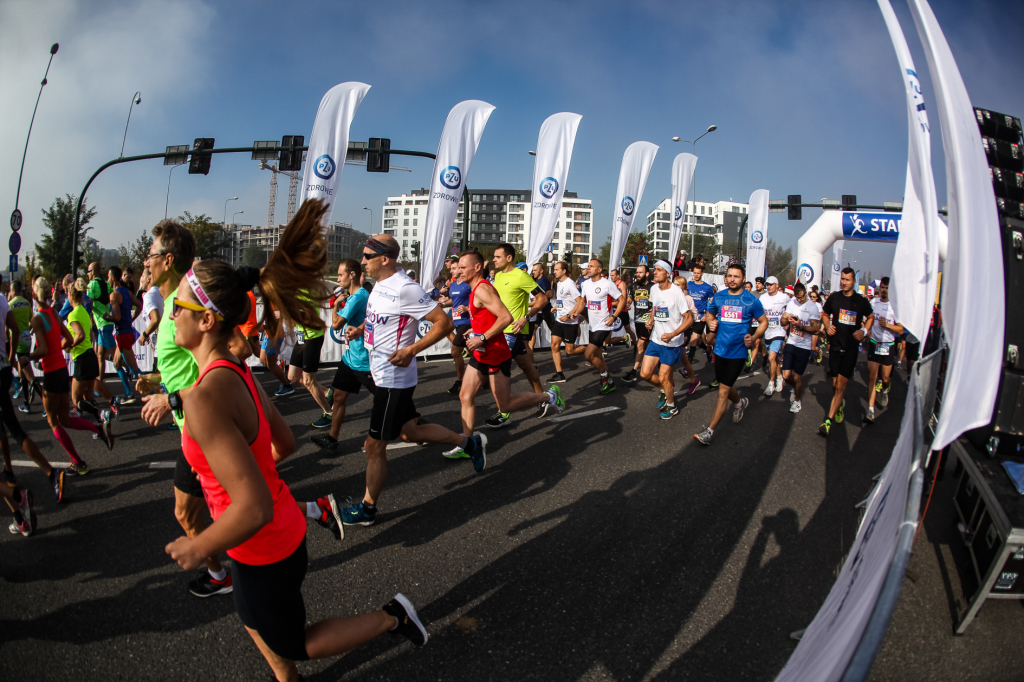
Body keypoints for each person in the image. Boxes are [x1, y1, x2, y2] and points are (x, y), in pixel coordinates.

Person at [165, 205, 428, 680]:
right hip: (277, 533)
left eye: (178, 307)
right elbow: (283, 444)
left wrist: (199, 542)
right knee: (253, 621)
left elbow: (254, 508)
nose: (170, 316)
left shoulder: (206, 396)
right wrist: (243, 474)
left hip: (261, 543)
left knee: (294, 643)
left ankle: (394, 616)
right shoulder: (234, 370)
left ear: (206, 320)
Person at [341, 233, 485, 528]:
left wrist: (411, 350)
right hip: (380, 373)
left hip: (394, 379)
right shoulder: (379, 286)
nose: (363, 261)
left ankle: (367, 509)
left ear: (386, 259)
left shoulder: (406, 288)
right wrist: (360, 329)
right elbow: (381, 318)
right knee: (408, 433)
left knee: (374, 445)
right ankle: (469, 444)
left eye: (368, 256)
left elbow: (442, 322)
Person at [137, 220, 233, 597]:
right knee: (225, 503)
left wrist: (171, 398)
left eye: (151, 255)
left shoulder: (188, 303)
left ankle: (221, 576)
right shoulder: (170, 306)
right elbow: (189, 367)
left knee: (215, 509)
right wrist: (159, 382)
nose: (146, 262)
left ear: (168, 259)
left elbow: (225, 360)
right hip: (191, 426)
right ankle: (220, 573)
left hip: (202, 426)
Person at [448, 252, 565, 456]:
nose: (458, 272)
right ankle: (468, 445)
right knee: (465, 395)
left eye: (462, 268)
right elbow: (487, 317)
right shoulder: (476, 288)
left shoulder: (482, 289)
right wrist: (474, 332)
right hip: (481, 354)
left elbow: (505, 317)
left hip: (495, 353)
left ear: (476, 268)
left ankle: (550, 396)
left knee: (505, 404)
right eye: (457, 268)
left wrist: (482, 338)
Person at [29, 276, 113, 476]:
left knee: (54, 421)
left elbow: (41, 351)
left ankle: (79, 462)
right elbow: (67, 338)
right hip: (62, 370)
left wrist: (27, 356)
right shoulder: (56, 314)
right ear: (51, 292)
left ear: (34, 293)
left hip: (50, 372)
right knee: (65, 418)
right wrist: (56, 349)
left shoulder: (37, 318)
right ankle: (97, 429)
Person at [0, 281, 64, 503]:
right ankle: (9, 470)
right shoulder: (2, 301)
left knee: (14, 429)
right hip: (4, 368)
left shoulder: (10, 302)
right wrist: (9, 360)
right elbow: (14, 331)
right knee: (8, 427)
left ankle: (45, 475)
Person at [693, 263, 766, 445]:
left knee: (722, 392)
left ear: (743, 279)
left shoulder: (751, 300)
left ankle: (709, 432)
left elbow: (764, 322)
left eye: (737, 276)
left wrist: (755, 337)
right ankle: (740, 403)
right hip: (720, 350)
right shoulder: (719, 297)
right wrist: (711, 323)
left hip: (738, 352)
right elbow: (709, 314)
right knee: (725, 384)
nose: (733, 279)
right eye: (730, 276)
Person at [310, 260, 375, 455]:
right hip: (350, 359)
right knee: (338, 397)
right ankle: (332, 439)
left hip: (364, 362)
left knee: (388, 399)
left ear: (352, 275)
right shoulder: (358, 295)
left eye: (340, 275)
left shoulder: (357, 298)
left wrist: (336, 306)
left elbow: (337, 325)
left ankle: (413, 420)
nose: (338, 279)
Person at [487, 244, 549, 427]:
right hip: (500, 329)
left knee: (498, 371)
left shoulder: (521, 275)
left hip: (511, 331)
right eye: (494, 256)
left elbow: (543, 298)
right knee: (527, 367)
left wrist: (526, 318)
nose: (494, 259)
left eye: (497, 256)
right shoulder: (497, 276)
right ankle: (545, 398)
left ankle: (503, 413)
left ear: (509, 258)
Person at [819, 267, 874, 436]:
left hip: (850, 349)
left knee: (841, 386)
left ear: (854, 281)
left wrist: (864, 331)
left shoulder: (861, 301)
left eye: (848, 279)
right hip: (835, 346)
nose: (844, 282)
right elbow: (824, 313)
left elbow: (871, 317)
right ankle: (839, 404)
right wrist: (828, 326)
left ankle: (827, 421)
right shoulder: (834, 298)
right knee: (835, 385)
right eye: (842, 279)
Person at [639, 261, 693, 420]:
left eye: (659, 270)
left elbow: (689, 319)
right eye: (654, 269)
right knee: (645, 374)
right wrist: (651, 320)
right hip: (656, 339)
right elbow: (655, 308)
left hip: (672, 342)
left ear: (668, 274)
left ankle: (671, 405)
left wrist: (673, 334)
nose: (655, 272)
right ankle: (664, 389)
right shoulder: (654, 289)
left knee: (663, 376)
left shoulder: (676, 292)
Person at [66, 278, 116, 432]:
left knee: (76, 400)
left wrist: (69, 345)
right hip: (90, 356)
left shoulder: (73, 315)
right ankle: (101, 425)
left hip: (81, 358)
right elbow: (89, 335)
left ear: (71, 296)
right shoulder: (85, 312)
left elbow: (80, 335)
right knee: (89, 397)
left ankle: (102, 414)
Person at [287, 286, 334, 428]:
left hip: (312, 337)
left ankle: (329, 413)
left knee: (309, 381)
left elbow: (306, 318)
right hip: (301, 337)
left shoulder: (308, 289)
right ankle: (327, 392)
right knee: (292, 377)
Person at [580, 258, 626, 395]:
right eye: (588, 266)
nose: (588, 268)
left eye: (591, 266)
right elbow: (583, 302)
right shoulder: (586, 284)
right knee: (598, 356)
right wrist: (573, 313)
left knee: (589, 355)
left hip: (604, 325)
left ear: (599, 270)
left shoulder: (607, 284)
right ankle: (608, 381)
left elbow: (622, 299)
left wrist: (614, 316)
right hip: (592, 326)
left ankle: (605, 376)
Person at [865, 277, 903, 422]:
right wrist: (867, 329)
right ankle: (870, 409)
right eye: (883, 287)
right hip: (875, 343)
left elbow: (900, 330)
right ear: (879, 288)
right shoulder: (873, 303)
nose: (884, 290)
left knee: (885, 378)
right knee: (872, 377)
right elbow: (868, 318)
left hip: (888, 345)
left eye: (887, 288)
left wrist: (887, 325)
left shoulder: (895, 306)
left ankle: (885, 390)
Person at [779, 282, 821, 413]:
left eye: (801, 297)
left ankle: (797, 401)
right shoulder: (792, 303)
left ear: (806, 292)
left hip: (804, 346)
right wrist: (788, 319)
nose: (799, 300)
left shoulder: (812, 307)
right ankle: (795, 388)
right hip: (791, 342)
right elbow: (782, 321)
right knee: (786, 377)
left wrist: (800, 325)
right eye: (797, 298)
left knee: (797, 377)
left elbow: (816, 328)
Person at [105, 265, 143, 405]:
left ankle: (157, 391)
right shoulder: (127, 292)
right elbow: (139, 305)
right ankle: (128, 393)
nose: (107, 279)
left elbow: (116, 316)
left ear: (113, 278)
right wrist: (132, 319)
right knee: (116, 364)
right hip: (126, 333)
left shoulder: (114, 295)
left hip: (123, 335)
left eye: (108, 277)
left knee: (135, 369)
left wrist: (107, 317)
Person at [547, 260, 586, 383]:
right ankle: (560, 374)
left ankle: (592, 348)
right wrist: (556, 307)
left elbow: (580, 302)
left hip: (570, 322)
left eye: (557, 269)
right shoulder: (559, 283)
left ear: (564, 271)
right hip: (559, 320)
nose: (554, 272)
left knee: (570, 350)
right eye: (554, 270)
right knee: (554, 345)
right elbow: (562, 300)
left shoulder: (570, 284)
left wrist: (569, 315)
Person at [87, 262, 118, 402]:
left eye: (88, 271)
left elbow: (89, 304)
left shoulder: (92, 284)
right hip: (108, 322)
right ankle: (100, 382)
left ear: (93, 272)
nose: (87, 274)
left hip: (101, 323)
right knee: (99, 355)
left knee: (114, 354)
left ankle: (131, 372)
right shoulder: (106, 284)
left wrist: (91, 317)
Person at [440, 258, 471, 395]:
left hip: (467, 322)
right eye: (451, 268)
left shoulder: (469, 284)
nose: (451, 270)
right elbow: (454, 300)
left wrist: (468, 308)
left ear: (460, 268)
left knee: (455, 352)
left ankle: (460, 381)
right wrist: (443, 304)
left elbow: (479, 300)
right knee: (443, 329)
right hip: (456, 320)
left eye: (453, 268)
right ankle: (484, 377)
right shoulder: (453, 285)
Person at [9, 280, 39, 411]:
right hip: (27, 339)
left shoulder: (10, 304)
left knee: (26, 373)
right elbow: (30, 322)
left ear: (13, 291)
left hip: (17, 341)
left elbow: (7, 326)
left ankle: (39, 392)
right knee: (23, 371)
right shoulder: (27, 303)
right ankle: (26, 402)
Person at [759, 276, 789, 397]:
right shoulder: (763, 297)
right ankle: (780, 377)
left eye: (771, 284)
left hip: (779, 331)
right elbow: (758, 311)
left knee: (771, 357)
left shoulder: (784, 297)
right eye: (767, 284)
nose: (769, 286)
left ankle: (771, 384)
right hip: (768, 331)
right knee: (774, 359)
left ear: (777, 285)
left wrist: (787, 322)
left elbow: (791, 309)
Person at [623, 263, 653, 383]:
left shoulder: (653, 287)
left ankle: (634, 372)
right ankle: (649, 367)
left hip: (648, 321)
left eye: (640, 272)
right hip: (637, 320)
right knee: (645, 346)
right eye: (637, 272)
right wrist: (628, 302)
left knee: (640, 345)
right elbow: (631, 297)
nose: (638, 274)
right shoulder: (633, 286)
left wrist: (652, 318)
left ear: (647, 274)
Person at [672, 276, 700, 393]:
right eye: (674, 284)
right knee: (684, 359)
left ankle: (669, 383)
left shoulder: (687, 298)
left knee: (671, 356)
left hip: (683, 330)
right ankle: (694, 380)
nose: (675, 286)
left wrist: (687, 319)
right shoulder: (671, 296)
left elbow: (694, 312)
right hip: (673, 329)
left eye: (678, 284)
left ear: (683, 286)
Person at [687, 263, 716, 374]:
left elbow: (713, 303)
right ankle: (706, 348)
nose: (696, 275)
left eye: (698, 273)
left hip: (701, 316)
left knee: (693, 340)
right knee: (697, 341)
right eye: (694, 273)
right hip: (689, 316)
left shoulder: (707, 288)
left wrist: (707, 315)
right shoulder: (688, 285)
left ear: (702, 274)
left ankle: (688, 367)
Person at [139, 267, 164, 375]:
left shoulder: (149, 296)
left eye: (142, 277)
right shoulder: (160, 292)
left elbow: (156, 319)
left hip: (160, 349)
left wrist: (145, 334)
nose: (141, 280)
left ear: (148, 278)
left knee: (159, 385)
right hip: (163, 346)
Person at [529, 262, 555, 353]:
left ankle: (563, 347)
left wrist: (539, 296)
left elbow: (550, 294)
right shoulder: (535, 280)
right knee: (533, 330)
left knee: (554, 330)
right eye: (533, 270)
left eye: (535, 270)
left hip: (546, 310)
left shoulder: (544, 280)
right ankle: (530, 352)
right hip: (538, 310)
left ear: (541, 271)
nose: (533, 272)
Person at [609, 269, 636, 349]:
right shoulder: (610, 284)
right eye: (611, 275)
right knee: (607, 329)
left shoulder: (622, 284)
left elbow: (623, 298)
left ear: (618, 276)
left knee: (627, 328)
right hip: (613, 309)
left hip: (621, 309)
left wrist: (614, 304)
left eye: (613, 275)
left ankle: (636, 344)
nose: (611, 277)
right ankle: (603, 347)